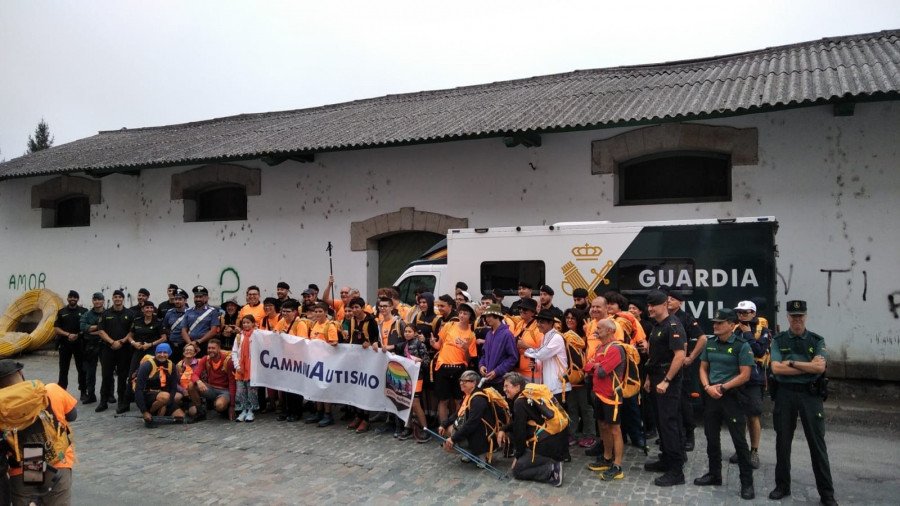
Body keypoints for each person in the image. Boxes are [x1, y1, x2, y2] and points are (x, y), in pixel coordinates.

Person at [768, 300, 837, 506]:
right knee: (782, 443)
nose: (797, 320)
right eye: (793, 316)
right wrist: (806, 366)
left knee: (817, 445)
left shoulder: (816, 340)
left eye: (800, 316)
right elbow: (776, 369)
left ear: (805, 317)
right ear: (787, 317)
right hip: (785, 394)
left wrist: (791, 362)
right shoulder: (779, 340)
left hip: (810, 396)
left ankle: (827, 494)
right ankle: (782, 486)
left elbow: (819, 369)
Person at [694, 309, 755, 499]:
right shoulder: (710, 343)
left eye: (720, 322)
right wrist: (707, 387)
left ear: (731, 324)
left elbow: (745, 374)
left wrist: (723, 388)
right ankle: (714, 474)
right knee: (711, 437)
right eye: (715, 322)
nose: (715, 325)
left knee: (739, 441)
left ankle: (747, 483)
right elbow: (703, 368)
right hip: (711, 395)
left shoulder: (741, 346)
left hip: (732, 397)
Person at [0, 359, 77, 506]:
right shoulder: (50, 390)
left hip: (20, 469)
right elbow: (72, 415)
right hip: (56, 464)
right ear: (20, 373)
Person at [642, 289, 687, 487]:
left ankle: (676, 470)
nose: (650, 308)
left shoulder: (673, 325)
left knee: (669, 424)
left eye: (653, 305)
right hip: (656, 376)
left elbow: (679, 355)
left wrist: (666, 380)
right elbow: (655, 354)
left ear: (664, 305)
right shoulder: (657, 326)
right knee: (661, 422)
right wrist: (650, 378)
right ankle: (666, 459)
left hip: (668, 379)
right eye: (648, 305)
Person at [497, 371, 565, 486]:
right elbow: (516, 423)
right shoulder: (527, 397)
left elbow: (520, 431)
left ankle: (551, 470)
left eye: (506, 386)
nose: (504, 389)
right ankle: (546, 459)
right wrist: (503, 429)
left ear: (517, 387)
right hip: (553, 440)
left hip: (544, 445)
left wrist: (518, 456)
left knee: (518, 471)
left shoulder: (519, 403)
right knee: (511, 433)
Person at [728, 299, 770, 469]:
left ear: (754, 313)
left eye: (745, 312)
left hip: (754, 379)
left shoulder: (764, 330)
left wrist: (748, 335)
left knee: (753, 416)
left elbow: (759, 351)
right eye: (739, 312)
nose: (742, 315)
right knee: (737, 417)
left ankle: (754, 451)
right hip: (736, 377)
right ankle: (741, 449)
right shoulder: (735, 329)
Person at [663, 287, 706, 452]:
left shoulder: (686, 318)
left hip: (681, 367)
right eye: (668, 299)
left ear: (680, 302)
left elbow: (702, 338)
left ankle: (689, 435)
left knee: (684, 403)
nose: (669, 301)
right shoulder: (663, 318)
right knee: (669, 404)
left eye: (673, 299)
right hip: (666, 367)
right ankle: (674, 436)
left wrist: (691, 357)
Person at [584, 319, 625, 481]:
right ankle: (607, 458)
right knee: (603, 426)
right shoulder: (601, 347)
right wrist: (594, 365)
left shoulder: (615, 349)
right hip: (599, 394)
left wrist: (595, 365)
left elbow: (601, 371)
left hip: (611, 396)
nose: (596, 329)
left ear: (609, 330)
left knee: (615, 429)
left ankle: (617, 465)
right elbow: (587, 366)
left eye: (599, 328)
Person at [431, 298, 476, 427]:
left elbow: (468, 360)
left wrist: (466, 349)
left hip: (459, 369)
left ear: (470, 317)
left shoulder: (471, 335)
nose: (462, 315)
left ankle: (457, 428)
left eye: (465, 313)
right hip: (443, 366)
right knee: (443, 401)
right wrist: (433, 343)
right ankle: (443, 429)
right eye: (460, 312)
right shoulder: (449, 325)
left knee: (459, 401)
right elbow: (439, 345)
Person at [438, 371, 496, 464]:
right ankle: (471, 453)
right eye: (461, 380)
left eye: (465, 381)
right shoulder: (469, 395)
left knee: (447, 446)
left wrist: (453, 438)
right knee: (447, 430)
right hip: (474, 432)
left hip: (481, 436)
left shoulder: (478, 399)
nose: (461, 383)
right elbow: (458, 413)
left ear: (473, 383)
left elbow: (471, 424)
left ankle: (480, 454)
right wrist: (444, 424)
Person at [96, 289, 136, 414]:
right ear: (112, 299)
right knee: (106, 376)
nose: (117, 299)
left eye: (120, 297)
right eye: (115, 297)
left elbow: (132, 331)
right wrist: (112, 342)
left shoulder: (130, 314)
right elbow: (100, 331)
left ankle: (122, 402)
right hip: (108, 349)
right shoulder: (106, 313)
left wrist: (122, 342)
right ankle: (103, 401)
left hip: (124, 350)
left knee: (123, 376)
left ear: (123, 299)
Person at [561, 308, 594, 449]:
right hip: (568, 378)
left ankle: (589, 435)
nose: (569, 320)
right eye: (567, 317)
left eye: (572, 318)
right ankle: (572, 433)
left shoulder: (586, 336)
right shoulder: (563, 336)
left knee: (586, 408)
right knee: (572, 407)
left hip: (583, 377)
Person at [346, 297, 378, 432]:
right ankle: (357, 415)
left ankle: (366, 418)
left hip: (367, 360)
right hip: (355, 358)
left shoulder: (371, 322)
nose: (354, 310)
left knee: (364, 387)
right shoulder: (351, 320)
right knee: (355, 388)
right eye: (352, 308)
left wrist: (370, 343)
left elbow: (377, 338)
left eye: (356, 308)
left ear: (363, 307)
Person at [134, 343, 185, 428]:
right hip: (148, 395)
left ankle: (159, 413)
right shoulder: (147, 366)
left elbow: (173, 387)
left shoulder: (171, 365)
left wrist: (166, 404)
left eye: (165, 352)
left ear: (169, 353)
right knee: (165, 396)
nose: (162, 355)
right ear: (156, 353)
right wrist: (144, 411)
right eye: (159, 352)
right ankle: (149, 414)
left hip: (164, 398)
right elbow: (138, 389)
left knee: (181, 417)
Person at [306, 302, 340, 427]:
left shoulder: (329, 325)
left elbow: (334, 342)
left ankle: (328, 413)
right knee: (316, 387)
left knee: (325, 388)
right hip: (315, 360)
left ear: (326, 312)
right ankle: (318, 411)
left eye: (321, 311)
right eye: (316, 311)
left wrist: (320, 345)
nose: (318, 314)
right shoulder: (314, 324)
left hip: (326, 361)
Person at [397, 324, 430, 442]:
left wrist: (419, 360)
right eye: (405, 331)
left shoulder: (420, 344)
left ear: (415, 333)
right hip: (406, 377)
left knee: (415, 403)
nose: (407, 333)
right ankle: (408, 427)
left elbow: (427, 361)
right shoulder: (403, 345)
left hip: (418, 377)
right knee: (407, 402)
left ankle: (425, 429)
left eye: (409, 331)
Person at [188, 338, 236, 421]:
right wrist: (199, 381)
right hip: (210, 388)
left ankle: (222, 407)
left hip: (224, 390)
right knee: (191, 385)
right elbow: (194, 374)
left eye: (213, 348)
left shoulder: (228, 361)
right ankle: (200, 412)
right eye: (209, 348)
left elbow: (232, 383)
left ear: (219, 349)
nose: (210, 350)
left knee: (220, 406)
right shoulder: (205, 359)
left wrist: (232, 405)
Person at [53, 290, 87, 400]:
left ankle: (83, 391)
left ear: (78, 299)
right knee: (63, 369)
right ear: (68, 299)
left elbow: (87, 326)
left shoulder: (84, 311)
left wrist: (78, 335)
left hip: (79, 343)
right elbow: (56, 328)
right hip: (64, 344)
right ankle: (62, 391)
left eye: (75, 297)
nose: (73, 299)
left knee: (81, 369)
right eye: (71, 297)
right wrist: (68, 335)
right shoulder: (61, 312)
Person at [126, 300, 167, 391]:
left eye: (151, 308)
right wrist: (134, 343)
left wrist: (151, 344)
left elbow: (164, 338)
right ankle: (127, 400)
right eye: (147, 308)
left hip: (152, 351)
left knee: (153, 374)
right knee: (132, 374)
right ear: (142, 310)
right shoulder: (137, 321)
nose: (149, 310)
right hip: (138, 350)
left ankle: (150, 397)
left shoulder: (158, 322)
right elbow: (129, 336)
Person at [478, 304, 519, 390]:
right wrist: (481, 365)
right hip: (487, 380)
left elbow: (513, 358)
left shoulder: (507, 334)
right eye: (486, 316)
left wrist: (497, 371)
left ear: (497, 316)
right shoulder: (489, 334)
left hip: (501, 381)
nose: (487, 319)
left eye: (490, 316)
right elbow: (484, 354)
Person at [78, 292, 106, 404]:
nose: (97, 301)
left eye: (99, 299)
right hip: (90, 345)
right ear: (93, 301)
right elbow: (83, 327)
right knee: (90, 372)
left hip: (105, 344)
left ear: (103, 301)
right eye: (95, 300)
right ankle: (91, 394)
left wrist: (94, 329)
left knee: (107, 371)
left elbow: (110, 327)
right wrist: (99, 328)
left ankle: (108, 394)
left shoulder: (108, 313)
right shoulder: (87, 315)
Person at [232, 315, 259, 422]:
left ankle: (251, 410)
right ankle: (242, 409)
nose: (246, 325)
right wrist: (237, 365)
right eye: (244, 323)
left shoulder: (256, 336)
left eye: (248, 322)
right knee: (241, 391)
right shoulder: (239, 337)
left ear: (253, 323)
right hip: (240, 368)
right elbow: (234, 352)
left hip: (252, 367)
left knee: (251, 390)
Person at [182, 285, 221, 356]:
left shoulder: (212, 311)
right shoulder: (188, 311)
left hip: (205, 345)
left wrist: (198, 342)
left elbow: (213, 331)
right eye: (196, 297)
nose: (198, 299)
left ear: (205, 298)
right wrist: (191, 344)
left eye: (200, 297)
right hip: (190, 345)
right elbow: (183, 330)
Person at [512, 298, 543, 378]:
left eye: (525, 309)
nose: (521, 310)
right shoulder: (519, 324)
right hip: (517, 371)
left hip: (532, 373)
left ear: (533, 312)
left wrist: (526, 346)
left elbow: (544, 352)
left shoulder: (538, 327)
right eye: (520, 308)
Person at [161, 288, 189, 364]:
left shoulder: (190, 313)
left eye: (180, 299)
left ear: (185, 300)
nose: (177, 301)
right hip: (171, 345)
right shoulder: (169, 313)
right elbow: (165, 327)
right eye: (176, 299)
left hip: (184, 345)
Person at [175, 342, 200, 419]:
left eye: (191, 350)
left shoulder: (199, 363)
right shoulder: (178, 365)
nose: (188, 352)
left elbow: (203, 379)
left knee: (193, 413)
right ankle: (182, 406)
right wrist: (183, 390)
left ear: (195, 353)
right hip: (183, 391)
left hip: (194, 390)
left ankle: (197, 406)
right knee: (175, 398)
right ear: (183, 353)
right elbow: (175, 382)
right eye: (186, 350)